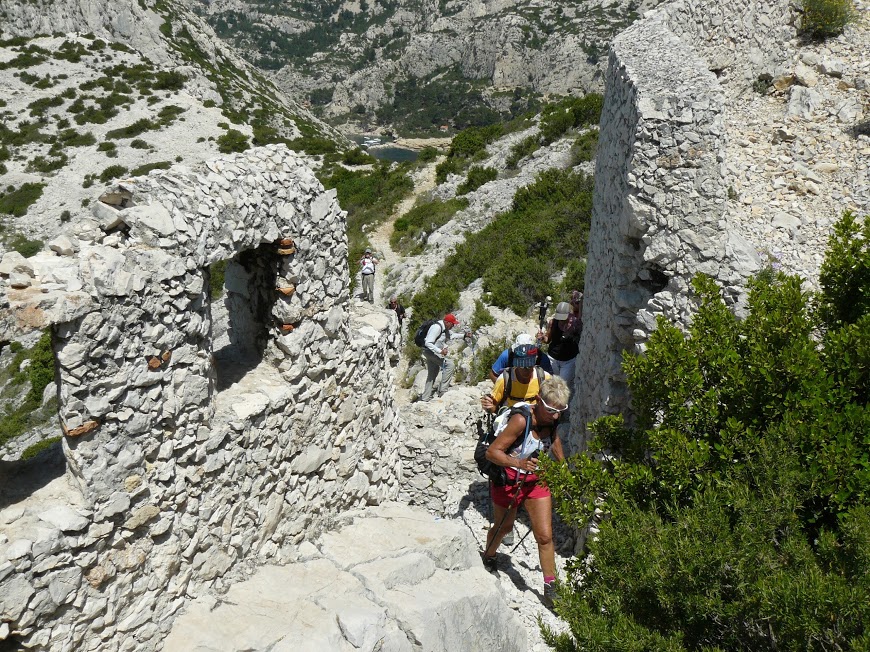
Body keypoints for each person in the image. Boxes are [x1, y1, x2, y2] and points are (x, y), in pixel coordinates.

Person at [481, 375, 569, 607]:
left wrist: (564, 468)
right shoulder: (521, 421)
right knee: (504, 527)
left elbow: (555, 440)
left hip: (536, 481)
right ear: (539, 400)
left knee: (545, 536)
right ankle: (489, 556)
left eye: (560, 410)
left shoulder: (553, 419)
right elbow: (492, 453)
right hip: (508, 480)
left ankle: (551, 586)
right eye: (551, 410)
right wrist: (519, 463)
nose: (556, 415)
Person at [481, 343, 552, 414]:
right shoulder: (505, 379)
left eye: (529, 366)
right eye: (521, 366)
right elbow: (494, 407)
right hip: (510, 417)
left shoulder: (544, 378)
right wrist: (488, 406)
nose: (525, 370)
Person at [420, 313, 459, 402]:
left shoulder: (444, 328)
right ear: (447, 322)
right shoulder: (437, 328)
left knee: (433, 372)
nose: (453, 326)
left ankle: (425, 398)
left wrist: (464, 336)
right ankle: (443, 391)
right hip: (429, 352)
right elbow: (428, 343)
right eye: (452, 324)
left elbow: (452, 335)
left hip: (429, 352)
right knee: (450, 365)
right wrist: (440, 351)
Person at [540, 301, 579, 384]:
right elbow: (547, 340)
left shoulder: (575, 325)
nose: (561, 320)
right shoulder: (553, 323)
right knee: (551, 383)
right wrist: (542, 337)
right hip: (552, 358)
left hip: (568, 361)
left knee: (563, 385)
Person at [489, 333, 553, 383]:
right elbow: (493, 374)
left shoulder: (542, 359)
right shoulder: (507, 356)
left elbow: (550, 380)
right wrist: (503, 389)